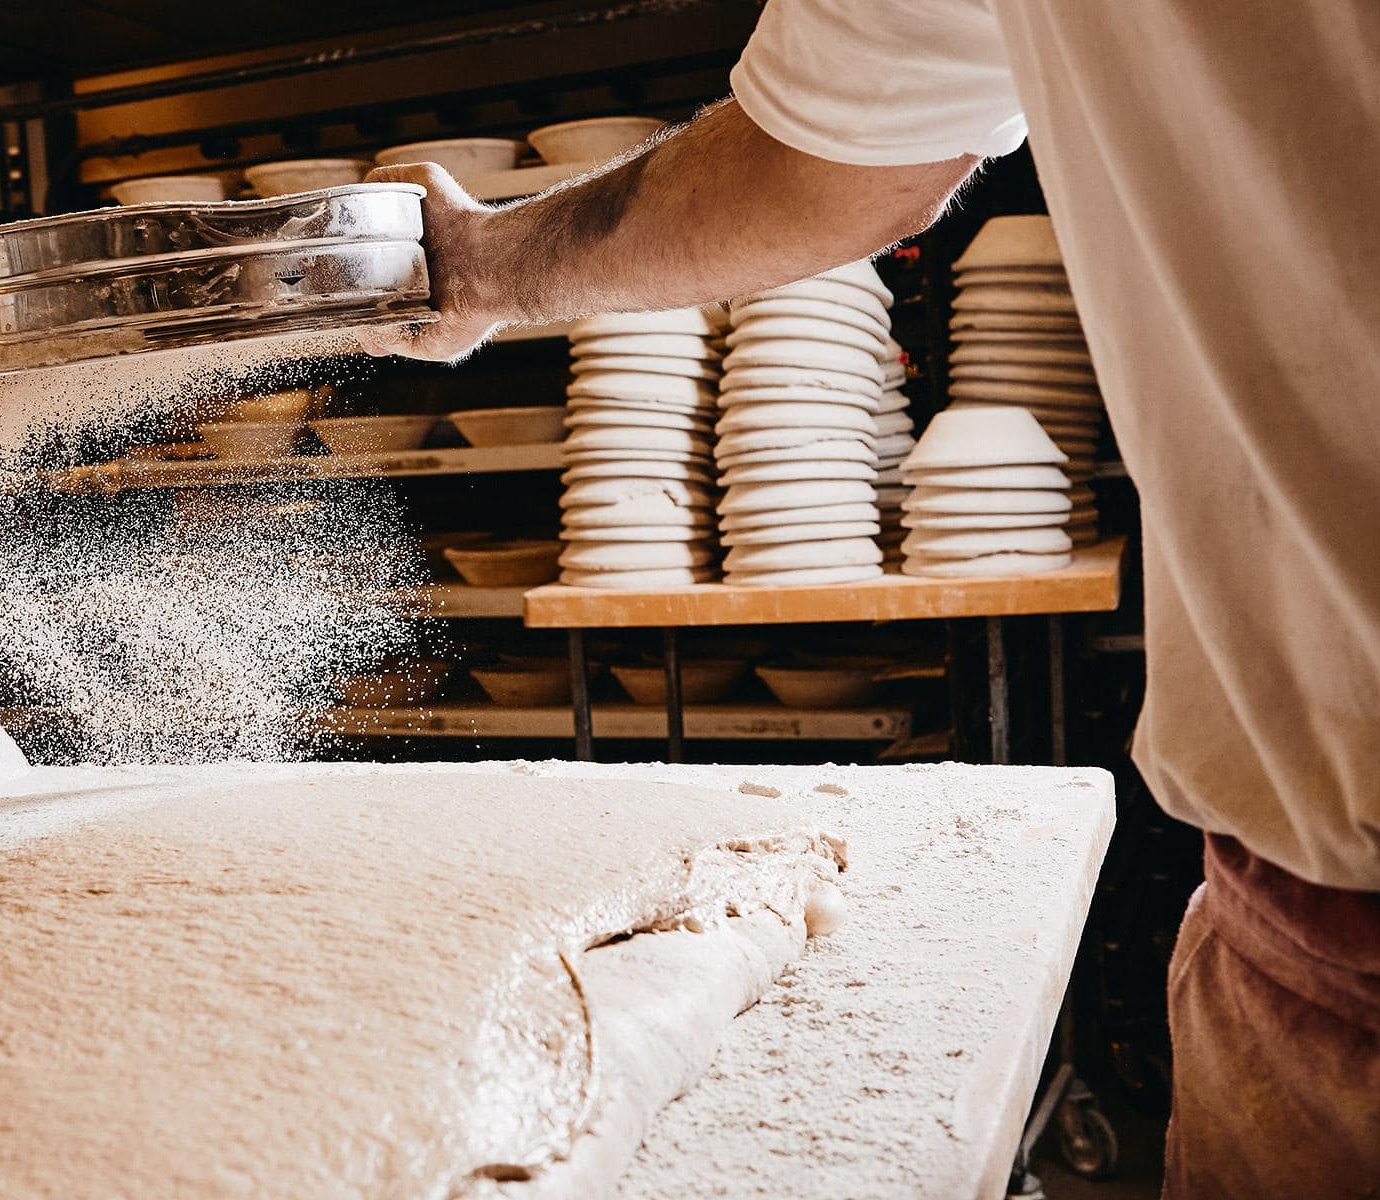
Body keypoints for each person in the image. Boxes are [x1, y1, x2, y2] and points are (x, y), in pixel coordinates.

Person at [359, 2, 1380, 1195]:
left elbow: (832, 161)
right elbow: (832, 155)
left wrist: (479, 265)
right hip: (1312, 956)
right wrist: (475, 265)